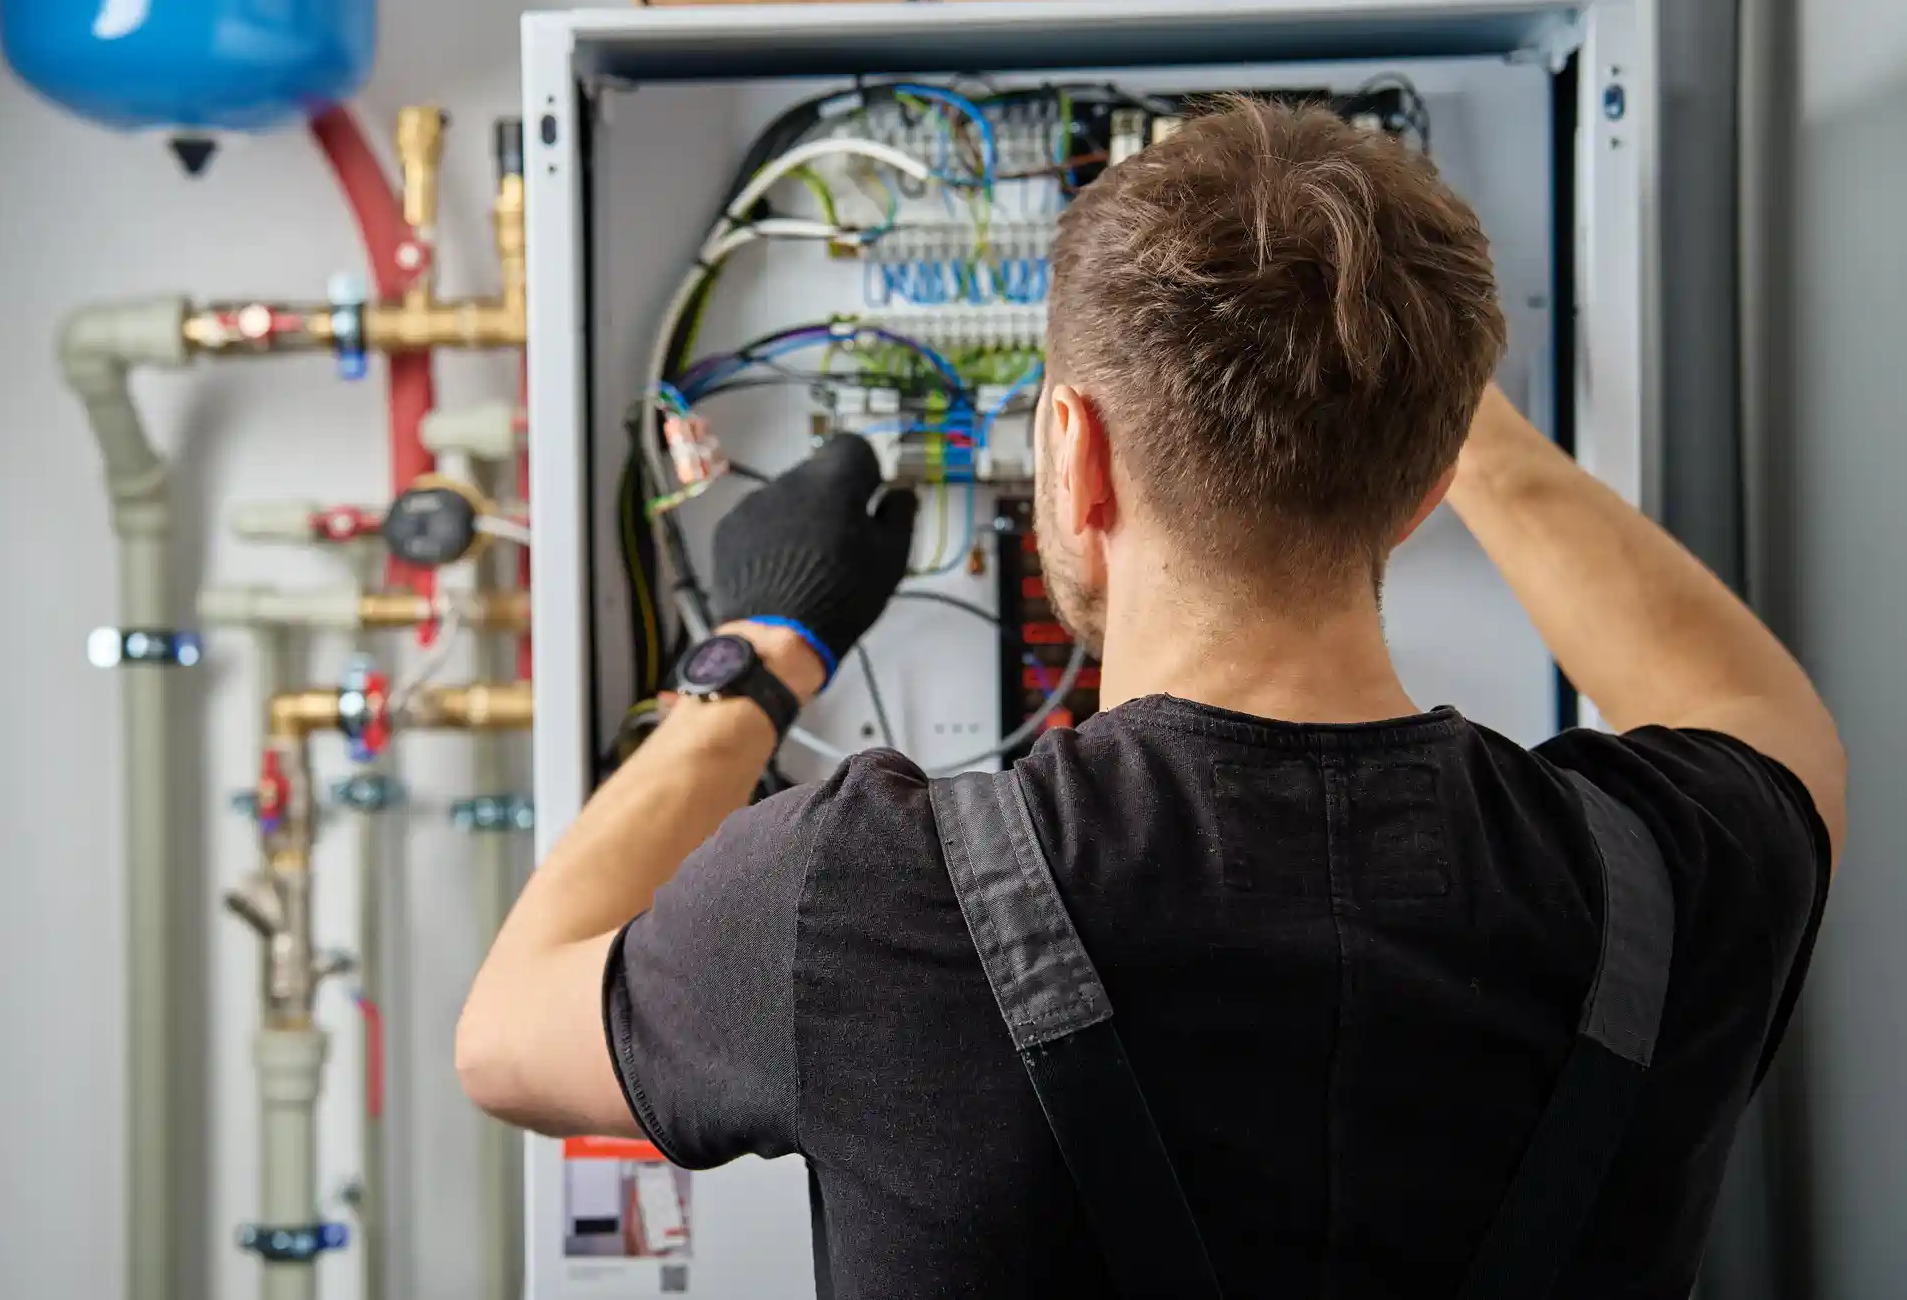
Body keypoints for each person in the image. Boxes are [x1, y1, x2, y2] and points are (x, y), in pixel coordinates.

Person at [454, 100, 1842, 1298]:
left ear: (1075, 455)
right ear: (1425, 491)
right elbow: (1753, 703)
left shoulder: (871, 899)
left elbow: (505, 1036)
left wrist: (757, 658)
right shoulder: (1669, 880)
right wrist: (1423, 397)